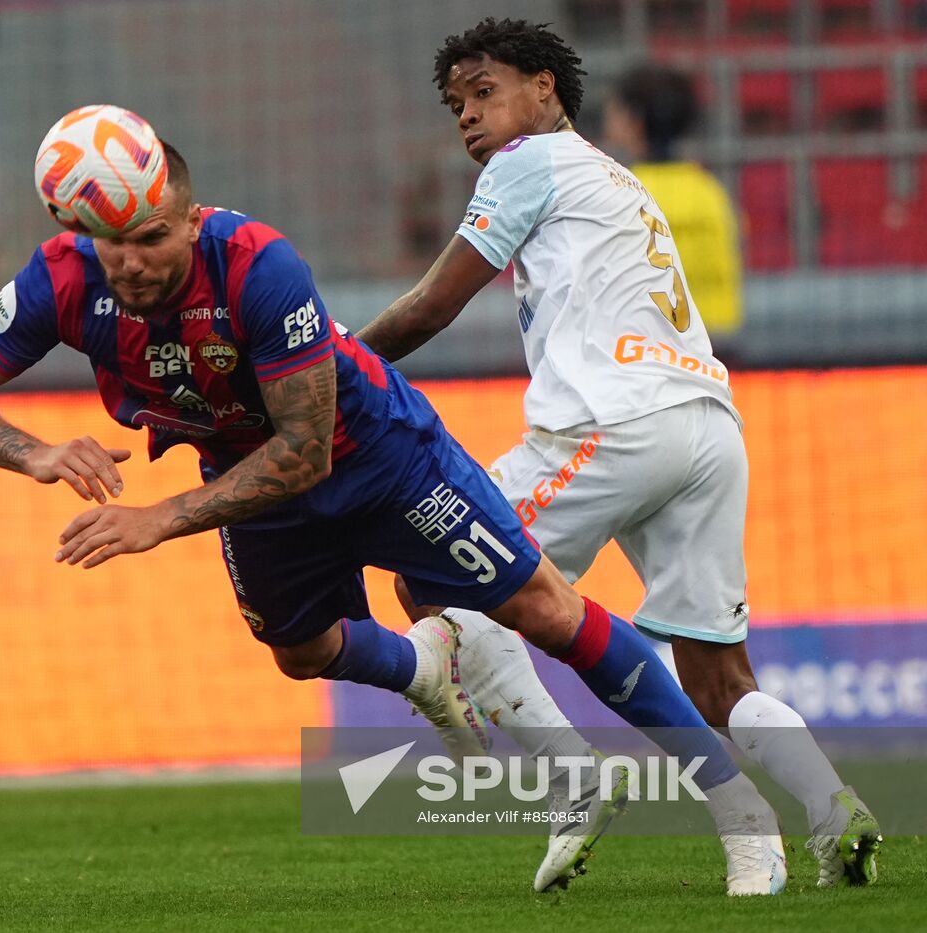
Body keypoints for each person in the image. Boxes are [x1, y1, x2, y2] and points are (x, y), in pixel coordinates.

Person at [0, 141, 786, 896]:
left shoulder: (259, 266)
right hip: (250, 481)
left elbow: (302, 451)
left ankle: (740, 812)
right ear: (87, 237)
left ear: (189, 221)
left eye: (152, 239)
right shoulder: (62, 278)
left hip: (380, 459)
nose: (134, 261)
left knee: (546, 611)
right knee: (299, 651)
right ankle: (429, 674)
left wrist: (164, 516)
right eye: (116, 243)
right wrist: (31, 452)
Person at [352, 18, 879, 893]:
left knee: (433, 569)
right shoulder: (618, 178)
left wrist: (324, 373)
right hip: (707, 426)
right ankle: (831, 810)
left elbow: (427, 308)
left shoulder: (528, 164)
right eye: (457, 105)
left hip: (613, 421)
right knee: (717, 675)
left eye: (485, 92)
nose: (469, 118)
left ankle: (572, 777)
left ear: (545, 89)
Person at [602, 64, 742, 338]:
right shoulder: (710, 192)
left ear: (635, 119)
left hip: (654, 348)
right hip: (717, 343)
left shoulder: (622, 192)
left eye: (616, 109)